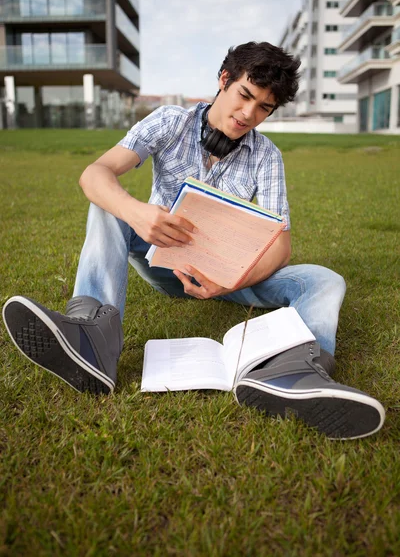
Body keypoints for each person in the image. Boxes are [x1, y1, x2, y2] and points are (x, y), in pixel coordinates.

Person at [2, 42, 385, 440]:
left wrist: (230, 281)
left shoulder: (267, 156)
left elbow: (281, 245)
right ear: (224, 80)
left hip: (227, 275)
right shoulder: (171, 121)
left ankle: (293, 372)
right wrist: (137, 212)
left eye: (264, 109)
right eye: (245, 96)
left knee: (325, 280)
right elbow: (95, 174)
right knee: (106, 206)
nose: (248, 115)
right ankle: (89, 336)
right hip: (159, 258)